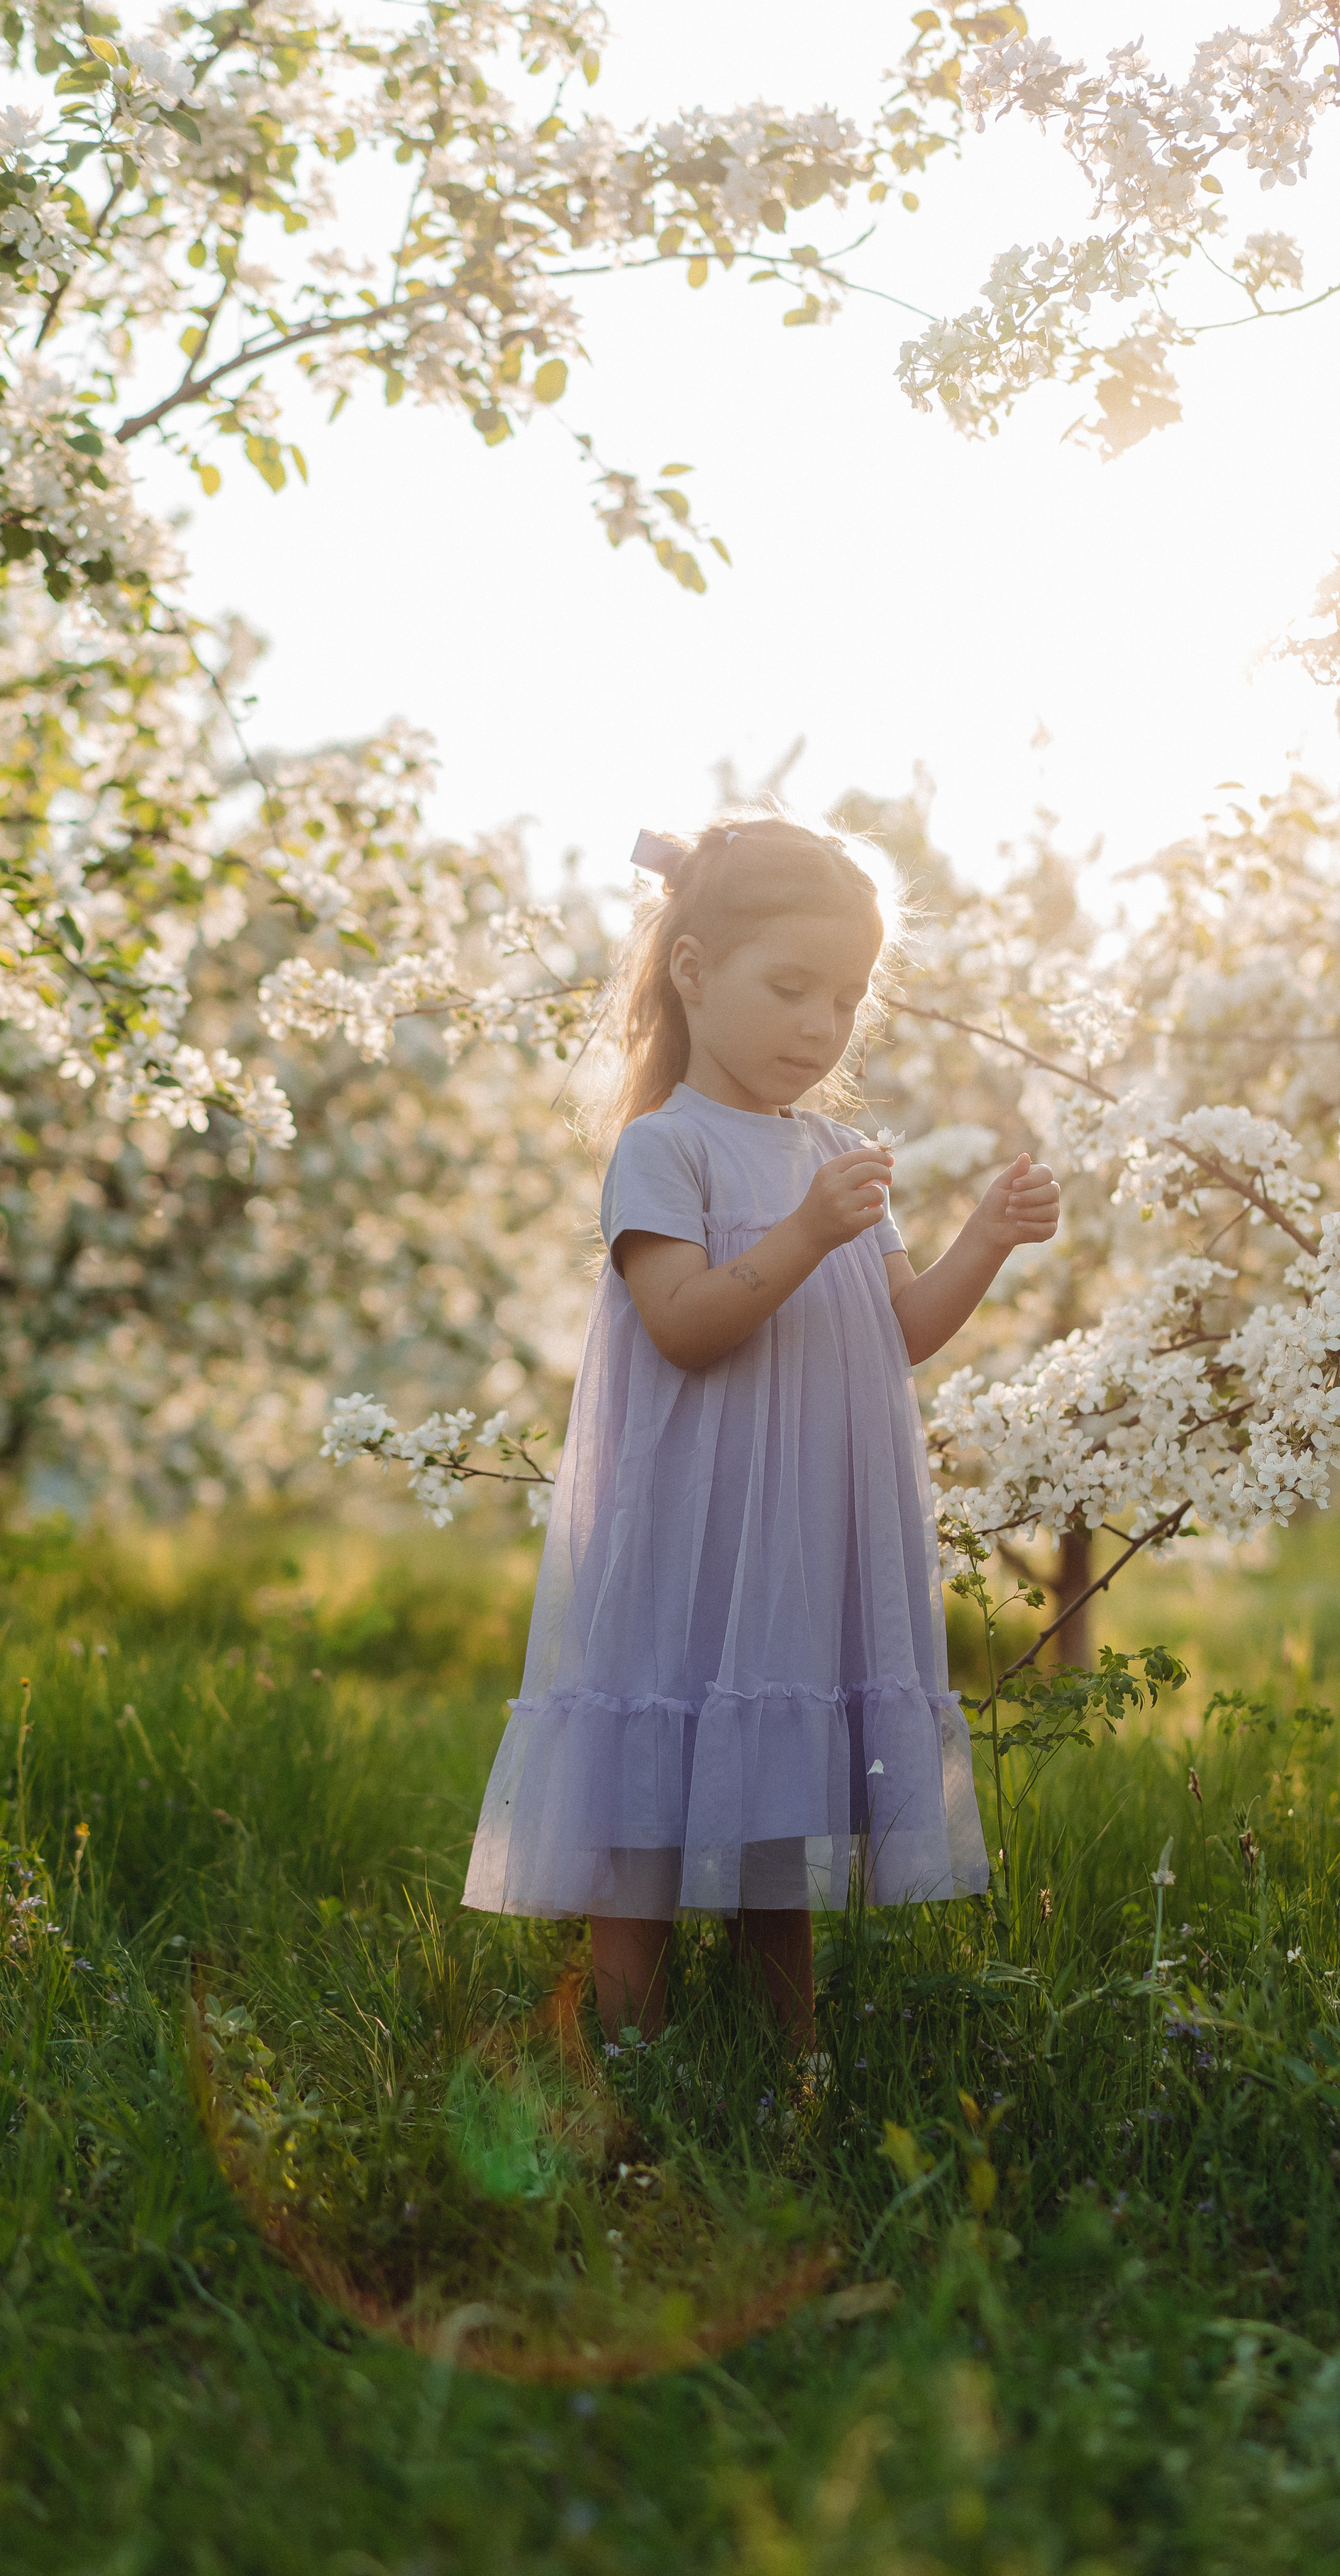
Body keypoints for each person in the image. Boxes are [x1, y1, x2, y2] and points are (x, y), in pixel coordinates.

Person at [462, 812, 1061, 2049]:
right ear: (693, 973)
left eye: (846, 999)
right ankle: (632, 2063)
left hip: (796, 1541)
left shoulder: (837, 1151)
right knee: (644, 1818)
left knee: (774, 1811)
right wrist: (804, 1235)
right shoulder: (663, 1148)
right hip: (692, 1534)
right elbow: (682, 1324)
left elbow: (898, 1333)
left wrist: (985, 1241)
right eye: (790, 988)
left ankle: (784, 2069)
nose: (820, 1027)